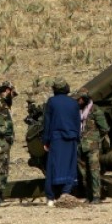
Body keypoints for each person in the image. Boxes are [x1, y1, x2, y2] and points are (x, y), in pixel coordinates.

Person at [41, 78, 81, 207]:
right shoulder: (74, 103)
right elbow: (77, 122)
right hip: (71, 137)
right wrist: (77, 138)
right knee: (70, 166)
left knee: (53, 166)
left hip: (57, 138)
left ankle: (50, 197)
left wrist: (46, 140)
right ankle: (66, 192)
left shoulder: (52, 102)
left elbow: (47, 122)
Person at [76, 89, 109, 204]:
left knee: (94, 171)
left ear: (85, 99)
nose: (78, 101)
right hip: (80, 145)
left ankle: (96, 196)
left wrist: (95, 138)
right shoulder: (78, 111)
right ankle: (88, 195)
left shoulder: (95, 110)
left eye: (80, 99)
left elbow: (104, 128)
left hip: (92, 146)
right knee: (83, 173)